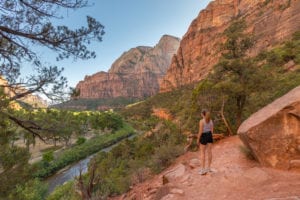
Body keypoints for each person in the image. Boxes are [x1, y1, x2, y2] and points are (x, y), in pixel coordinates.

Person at [197, 109, 213, 175]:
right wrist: (210, 136)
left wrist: (198, 139)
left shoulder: (201, 121)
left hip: (203, 136)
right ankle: (208, 168)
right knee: (209, 152)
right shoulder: (211, 121)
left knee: (202, 153)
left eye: (201, 114)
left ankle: (203, 170)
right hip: (209, 135)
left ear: (203, 114)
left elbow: (200, 131)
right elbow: (212, 130)